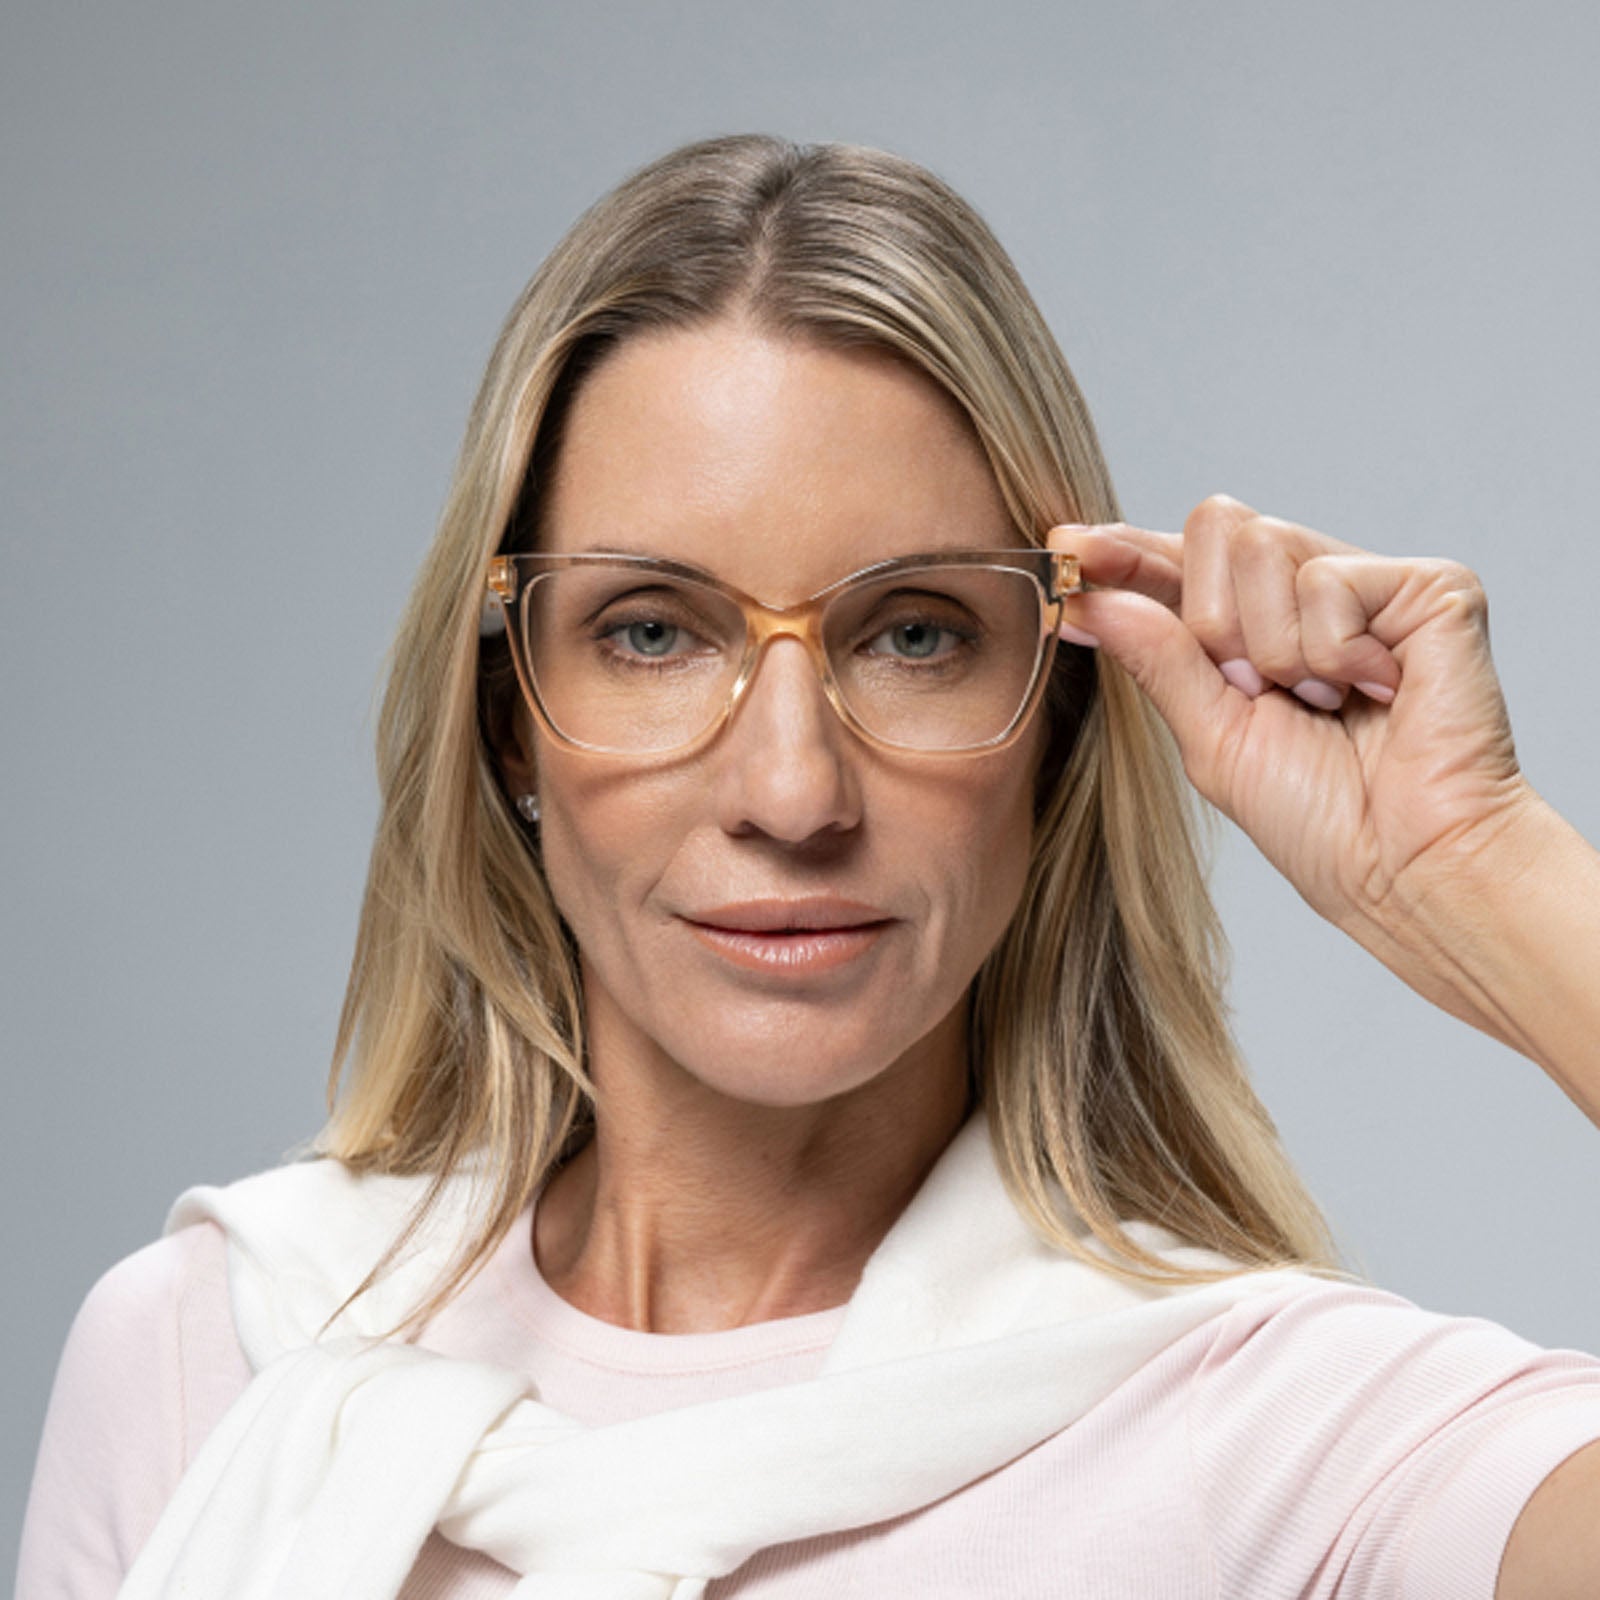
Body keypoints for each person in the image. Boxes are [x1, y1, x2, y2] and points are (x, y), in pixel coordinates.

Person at [17, 133, 1600, 1600]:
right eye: (651, 630)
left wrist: (1476, 872)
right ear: (509, 720)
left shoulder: (1278, 1438)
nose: (792, 790)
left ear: (1056, 724)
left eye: (915, 634)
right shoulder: (208, 1357)